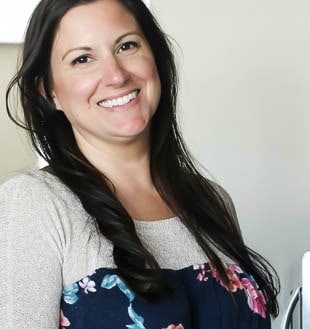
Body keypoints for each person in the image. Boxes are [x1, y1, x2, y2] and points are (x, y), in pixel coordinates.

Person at [1, 0, 279, 328]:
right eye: (83, 59)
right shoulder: (35, 204)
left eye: (127, 45)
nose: (116, 75)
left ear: (155, 57)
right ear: (49, 92)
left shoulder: (212, 201)